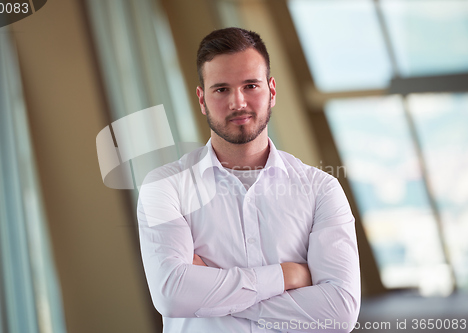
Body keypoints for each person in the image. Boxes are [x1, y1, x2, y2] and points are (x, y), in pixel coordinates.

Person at [137, 27, 360, 332]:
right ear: (202, 99)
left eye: (250, 86)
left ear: (272, 91)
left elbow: (339, 314)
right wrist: (286, 276)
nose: (237, 102)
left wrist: (211, 298)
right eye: (221, 89)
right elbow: (172, 294)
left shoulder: (321, 189)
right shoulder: (165, 187)